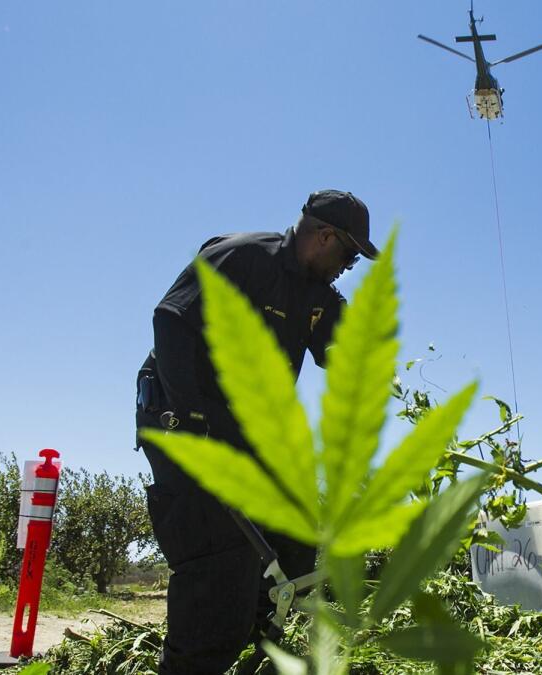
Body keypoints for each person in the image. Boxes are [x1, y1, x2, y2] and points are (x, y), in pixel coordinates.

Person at [135, 190, 378, 675]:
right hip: (180, 420)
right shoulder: (241, 257)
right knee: (218, 561)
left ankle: (262, 639)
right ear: (324, 236)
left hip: (245, 432)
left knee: (292, 539)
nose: (348, 266)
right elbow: (170, 322)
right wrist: (197, 423)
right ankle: (196, 658)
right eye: (349, 255)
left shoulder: (314, 295)